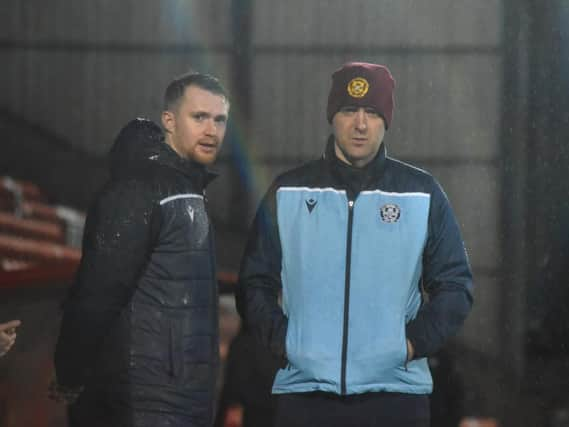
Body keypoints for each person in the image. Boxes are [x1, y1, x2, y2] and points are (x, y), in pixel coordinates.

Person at [237, 62, 473, 427]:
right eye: (349, 110)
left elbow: (456, 286)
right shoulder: (287, 192)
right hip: (305, 397)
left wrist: (407, 346)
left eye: (373, 112)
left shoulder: (422, 193)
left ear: (386, 121)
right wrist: (288, 345)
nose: (360, 124)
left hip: (396, 398)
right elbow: (254, 282)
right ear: (332, 116)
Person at [52, 71, 230, 427]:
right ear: (169, 120)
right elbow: (98, 290)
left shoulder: (188, 193)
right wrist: (70, 371)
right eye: (199, 117)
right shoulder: (139, 190)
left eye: (219, 120)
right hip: (142, 400)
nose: (211, 130)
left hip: (181, 398)